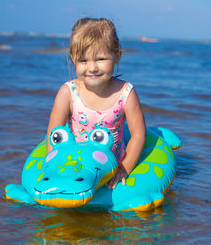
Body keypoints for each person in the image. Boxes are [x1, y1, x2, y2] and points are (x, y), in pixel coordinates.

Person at [46, 18, 146, 189]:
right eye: (83, 61)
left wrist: (124, 168)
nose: (92, 68)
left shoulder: (125, 93)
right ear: (73, 58)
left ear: (117, 56)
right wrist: (55, 168)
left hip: (111, 163)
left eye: (100, 59)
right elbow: (54, 134)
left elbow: (138, 135)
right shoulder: (68, 92)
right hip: (76, 163)